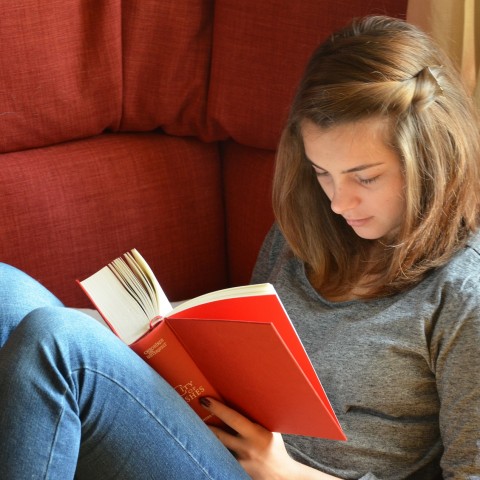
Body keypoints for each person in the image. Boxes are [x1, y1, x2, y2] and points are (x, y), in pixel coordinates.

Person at [1, 14, 479, 479]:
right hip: (210, 446)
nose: (338, 202)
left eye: (365, 177)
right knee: (6, 296)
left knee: (58, 343)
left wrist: (283, 472)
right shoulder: (308, 226)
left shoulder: (464, 292)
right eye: (322, 173)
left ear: (430, 158)